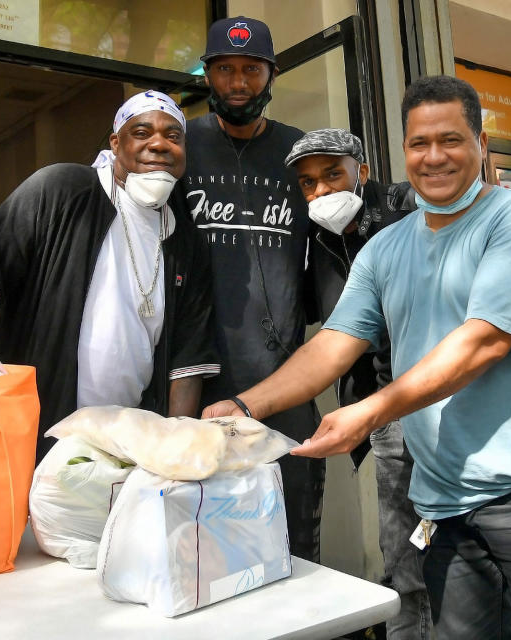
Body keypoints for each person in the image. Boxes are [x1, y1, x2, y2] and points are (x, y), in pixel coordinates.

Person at [205, 75, 511, 640]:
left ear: (481, 146)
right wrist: (244, 405)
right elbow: (335, 342)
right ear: (404, 152)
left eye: (451, 140)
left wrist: (369, 412)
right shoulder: (387, 247)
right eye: (419, 144)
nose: (434, 157)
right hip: (443, 498)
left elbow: (483, 341)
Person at [286, 128, 511, 640]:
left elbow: (478, 198)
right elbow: (331, 339)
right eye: (308, 184)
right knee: (407, 549)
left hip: (463, 405)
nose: (322, 193)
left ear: (364, 172)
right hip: (391, 417)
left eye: (333, 174)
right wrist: (247, 404)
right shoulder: (311, 244)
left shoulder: (404, 206)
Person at [0, 91, 219, 461]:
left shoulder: (185, 240)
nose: (158, 144)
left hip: (126, 444)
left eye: (173, 136)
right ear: (115, 142)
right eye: (142, 132)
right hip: (38, 431)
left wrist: (173, 447)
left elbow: (186, 360)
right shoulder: (62, 188)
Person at [184, 16, 323, 562]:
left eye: (250, 69)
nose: (237, 82)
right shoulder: (179, 141)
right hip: (188, 378)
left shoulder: (301, 153)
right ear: (208, 75)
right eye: (224, 70)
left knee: (291, 541)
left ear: (272, 74)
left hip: (283, 382)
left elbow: (360, 213)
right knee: (198, 542)